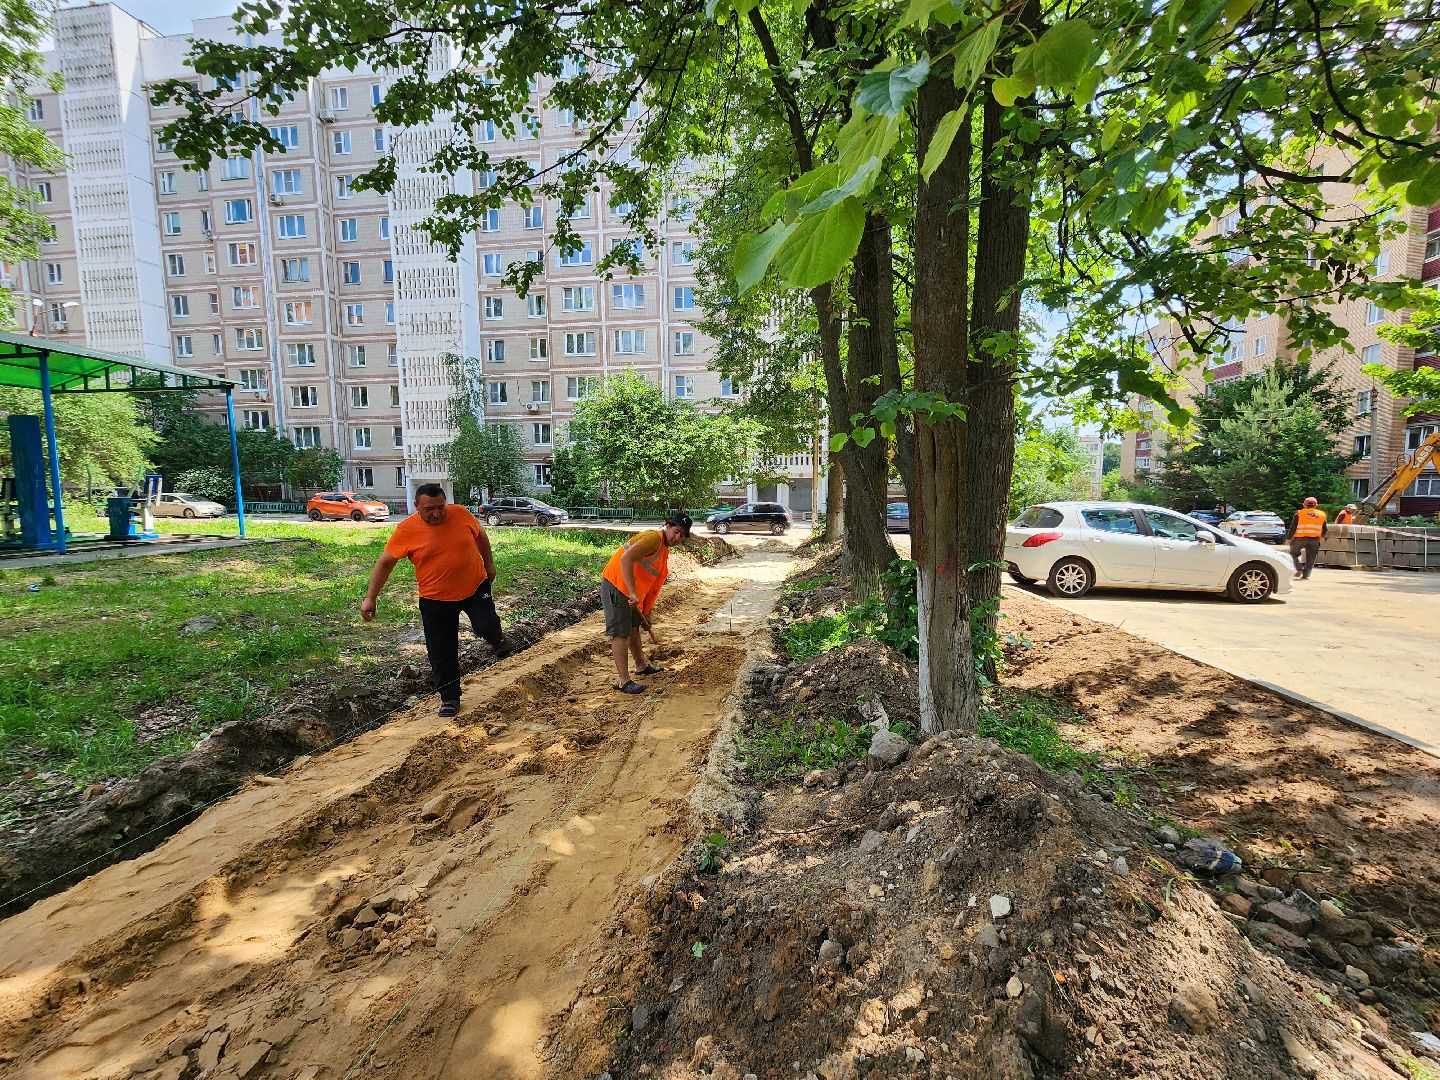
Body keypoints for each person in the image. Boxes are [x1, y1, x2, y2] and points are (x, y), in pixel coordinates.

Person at [361, 483, 509, 716]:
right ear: (417, 506)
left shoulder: (461, 513)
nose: (437, 513)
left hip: (475, 586)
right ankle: (450, 698)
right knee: (441, 650)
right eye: (430, 509)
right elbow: (385, 563)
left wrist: (489, 565)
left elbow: (481, 536)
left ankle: (497, 639)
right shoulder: (406, 530)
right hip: (436, 599)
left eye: (441, 507)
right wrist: (371, 598)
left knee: (487, 625)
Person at [600, 512, 692, 694]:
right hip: (617, 585)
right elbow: (625, 558)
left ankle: (641, 665)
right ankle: (623, 681)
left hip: (631, 592)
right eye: (676, 531)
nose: (677, 537)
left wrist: (644, 610)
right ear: (667, 526)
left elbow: (649, 581)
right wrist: (632, 592)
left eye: (682, 535)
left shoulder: (663, 550)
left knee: (634, 627)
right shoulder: (653, 539)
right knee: (620, 633)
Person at [1286, 496, 1328, 581]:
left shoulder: (1299, 513)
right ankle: (1306, 575)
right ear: (1316, 505)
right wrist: (1321, 536)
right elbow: (1325, 529)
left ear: (1304, 505)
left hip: (1300, 538)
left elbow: (1293, 527)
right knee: (1311, 557)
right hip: (1314, 539)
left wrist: (1289, 538)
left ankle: (1299, 569)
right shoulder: (1322, 514)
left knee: (1293, 554)